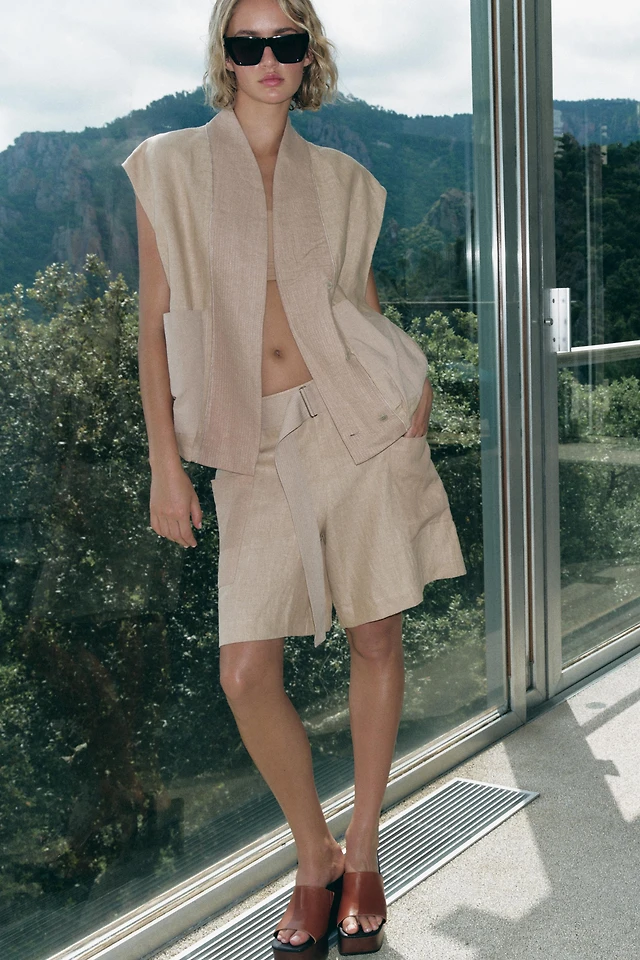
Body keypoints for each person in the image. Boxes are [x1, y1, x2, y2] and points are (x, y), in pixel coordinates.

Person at [123, 0, 466, 954]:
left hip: (359, 423)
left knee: (377, 632)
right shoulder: (169, 167)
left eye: (286, 40)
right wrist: (163, 463)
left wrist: (412, 384)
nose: (268, 57)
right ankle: (313, 852)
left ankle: (365, 849)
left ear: (308, 51)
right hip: (252, 439)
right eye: (248, 42)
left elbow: (360, 306)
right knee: (246, 671)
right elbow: (152, 324)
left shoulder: (346, 181)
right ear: (224, 55)